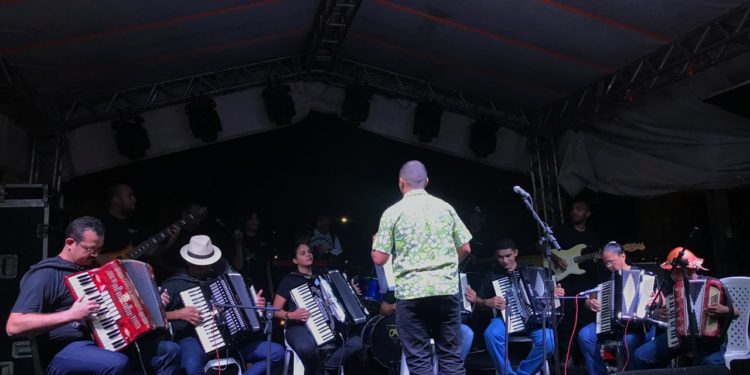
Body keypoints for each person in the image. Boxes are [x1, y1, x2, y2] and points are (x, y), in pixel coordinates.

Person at [5, 216, 181, 374]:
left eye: (98, 249)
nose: (96, 255)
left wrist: (154, 303)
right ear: (70, 243)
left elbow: (124, 306)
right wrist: (71, 315)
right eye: (90, 249)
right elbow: (14, 326)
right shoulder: (46, 275)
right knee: (116, 363)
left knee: (169, 351)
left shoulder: (95, 271)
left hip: (106, 340)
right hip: (64, 349)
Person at [371, 160, 472, 375]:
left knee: (419, 360)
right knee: (452, 358)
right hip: (446, 291)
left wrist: (375, 244)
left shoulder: (392, 212)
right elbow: (465, 249)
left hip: (411, 296)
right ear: (426, 181)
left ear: (401, 183)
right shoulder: (446, 208)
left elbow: (379, 259)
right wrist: (446, 268)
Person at [161, 235, 284, 375]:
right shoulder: (175, 284)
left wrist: (254, 305)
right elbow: (152, 317)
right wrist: (178, 314)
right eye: (196, 264)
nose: (200, 268)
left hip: (231, 341)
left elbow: (241, 302)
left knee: (277, 352)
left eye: (204, 264)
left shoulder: (221, 277)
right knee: (192, 367)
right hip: (194, 340)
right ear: (188, 261)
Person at [467, 238, 563, 375]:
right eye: (500, 257)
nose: (505, 261)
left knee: (549, 341)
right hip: (506, 318)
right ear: (495, 257)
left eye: (508, 256)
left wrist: (556, 294)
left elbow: (550, 298)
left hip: (534, 320)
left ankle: (524, 373)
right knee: (491, 334)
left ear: (515, 253)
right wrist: (486, 302)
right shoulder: (492, 275)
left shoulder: (530, 269)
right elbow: (479, 301)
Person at [633, 247, 739, 369]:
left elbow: (736, 312)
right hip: (677, 337)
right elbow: (662, 308)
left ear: (691, 269)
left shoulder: (713, 285)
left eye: (677, 271)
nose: (673, 274)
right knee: (641, 356)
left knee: (712, 365)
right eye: (671, 271)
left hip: (708, 341)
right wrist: (657, 313)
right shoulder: (671, 286)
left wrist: (723, 310)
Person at [272, 243, 363, 375]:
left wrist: (351, 292)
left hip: (329, 324)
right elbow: (275, 310)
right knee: (306, 348)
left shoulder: (323, 275)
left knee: (356, 343)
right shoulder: (289, 280)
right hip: (299, 325)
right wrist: (291, 315)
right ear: (294, 260)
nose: (308, 254)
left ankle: (325, 368)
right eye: (302, 253)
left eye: (309, 252)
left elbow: (338, 297)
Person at [577, 241, 650, 375]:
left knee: (629, 341)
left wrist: (652, 301)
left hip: (633, 326)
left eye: (611, 261)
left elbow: (658, 299)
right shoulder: (604, 276)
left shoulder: (642, 274)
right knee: (585, 335)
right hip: (608, 322)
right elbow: (590, 298)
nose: (608, 266)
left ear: (623, 256)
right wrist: (589, 303)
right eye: (605, 263)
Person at [379, 290, 475, 363]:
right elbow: (384, 309)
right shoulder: (405, 282)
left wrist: (474, 299)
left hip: (441, 325)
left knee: (466, 332)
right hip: (416, 326)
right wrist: (400, 305)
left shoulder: (444, 282)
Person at [98, 183, 180, 262]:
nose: (134, 199)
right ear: (116, 199)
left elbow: (150, 254)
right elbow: (90, 255)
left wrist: (169, 243)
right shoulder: (98, 224)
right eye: (129, 196)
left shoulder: (136, 224)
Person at [231, 211, 274, 295]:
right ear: (245, 221)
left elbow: (267, 266)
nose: (255, 221)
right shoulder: (239, 239)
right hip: (246, 285)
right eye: (251, 219)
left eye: (256, 218)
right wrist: (238, 245)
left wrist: (271, 289)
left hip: (263, 285)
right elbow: (238, 266)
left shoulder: (263, 240)